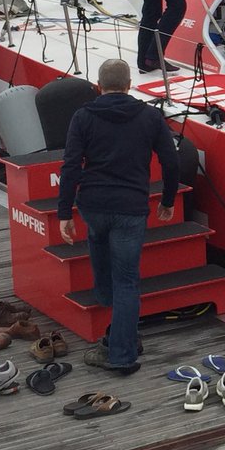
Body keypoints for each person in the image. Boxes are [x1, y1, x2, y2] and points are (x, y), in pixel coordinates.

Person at [57, 59, 180, 373]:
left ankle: (117, 336)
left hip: (93, 207)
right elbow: (170, 161)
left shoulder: (82, 117)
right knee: (127, 282)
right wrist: (167, 200)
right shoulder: (150, 117)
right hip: (130, 208)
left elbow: (70, 167)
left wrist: (63, 213)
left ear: (99, 87)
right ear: (129, 86)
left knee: (104, 269)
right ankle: (122, 348)